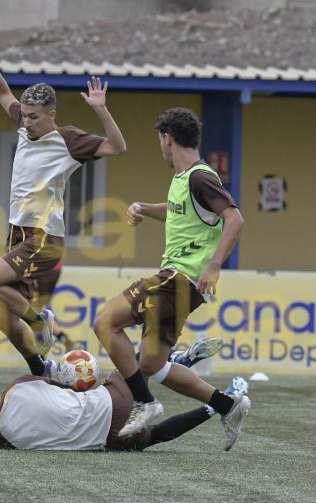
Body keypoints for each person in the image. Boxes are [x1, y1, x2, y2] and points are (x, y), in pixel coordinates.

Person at [91, 107, 248, 449]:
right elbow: (180, 211)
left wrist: (215, 266)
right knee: (152, 363)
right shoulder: (184, 179)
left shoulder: (199, 177)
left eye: (160, 141)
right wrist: (145, 208)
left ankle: (144, 403)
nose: (160, 147)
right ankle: (228, 404)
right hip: (182, 286)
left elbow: (234, 219)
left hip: (178, 278)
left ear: (168, 138)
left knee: (104, 322)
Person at [0, 38, 128, 379]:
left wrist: (101, 109)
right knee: (3, 320)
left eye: (34, 117)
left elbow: (118, 147)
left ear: (52, 115)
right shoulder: (24, 127)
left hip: (44, 237)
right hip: (16, 234)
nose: (26, 123)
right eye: (25, 116)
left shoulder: (69, 140)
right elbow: (2, 94)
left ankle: (39, 320)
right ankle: (41, 369)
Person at [0, 370, 249, 452]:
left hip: (110, 438)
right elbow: (64, 387)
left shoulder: (3, 440)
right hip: (109, 400)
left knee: (154, 435)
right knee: (137, 365)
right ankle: (173, 364)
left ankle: (211, 409)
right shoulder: (18, 385)